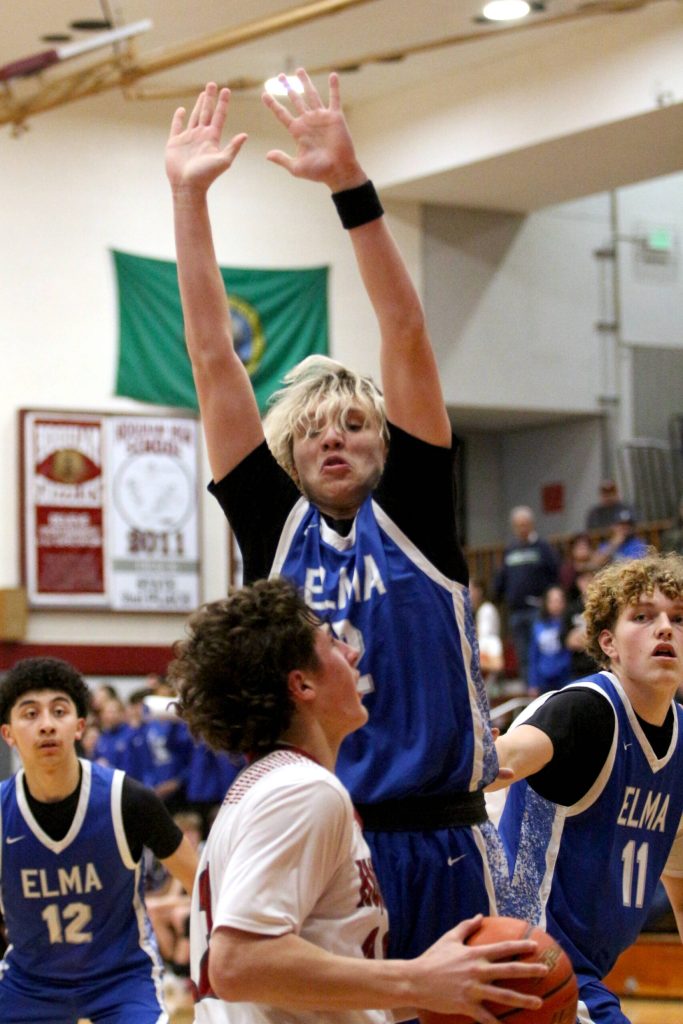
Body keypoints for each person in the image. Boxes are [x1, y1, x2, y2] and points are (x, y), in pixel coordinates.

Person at [165, 70, 503, 959]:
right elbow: (211, 357)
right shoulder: (271, 526)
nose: (335, 439)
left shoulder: (416, 515)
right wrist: (187, 196)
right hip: (319, 825)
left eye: (356, 423)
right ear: (287, 452)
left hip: (443, 834)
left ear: (386, 443)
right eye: (313, 430)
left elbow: (406, 337)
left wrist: (350, 189)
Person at [169, 576, 547, 1024]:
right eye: (333, 642)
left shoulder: (265, 786)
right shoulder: (302, 792)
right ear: (302, 685)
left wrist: (449, 989)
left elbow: (295, 989)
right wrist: (416, 980)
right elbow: (237, 965)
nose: (352, 652)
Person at [491, 552, 683, 1024]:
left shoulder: (681, 744)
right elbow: (509, 757)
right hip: (521, 956)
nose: (664, 628)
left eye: (677, 618)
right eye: (642, 616)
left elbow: (679, 878)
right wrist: (483, 757)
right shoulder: (583, 711)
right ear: (608, 643)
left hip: (580, 975)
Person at [0, 657, 198, 1024]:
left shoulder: (129, 799)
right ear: (8, 733)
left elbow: (202, 886)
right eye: (30, 714)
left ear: (78, 726)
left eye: (58, 711)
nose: (46, 725)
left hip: (122, 982)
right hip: (30, 985)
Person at [493, 506, 559, 684]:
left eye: (524, 524)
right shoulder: (510, 549)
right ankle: (528, 689)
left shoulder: (543, 547)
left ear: (531, 524)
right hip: (516, 611)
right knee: (522, 655)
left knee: (539, 652)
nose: (521, 528)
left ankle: (544, 689)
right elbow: (502, 577)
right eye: (518, 525)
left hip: (537, 609)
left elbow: (554, 574)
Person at [526, 585, 572, 696]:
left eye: (559, 601)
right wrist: (533, 683)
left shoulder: (569, 624)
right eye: (552, 601)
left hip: (565, 677)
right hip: (544, 678)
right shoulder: (538, 625)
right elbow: (533, 655)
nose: (556, 605)